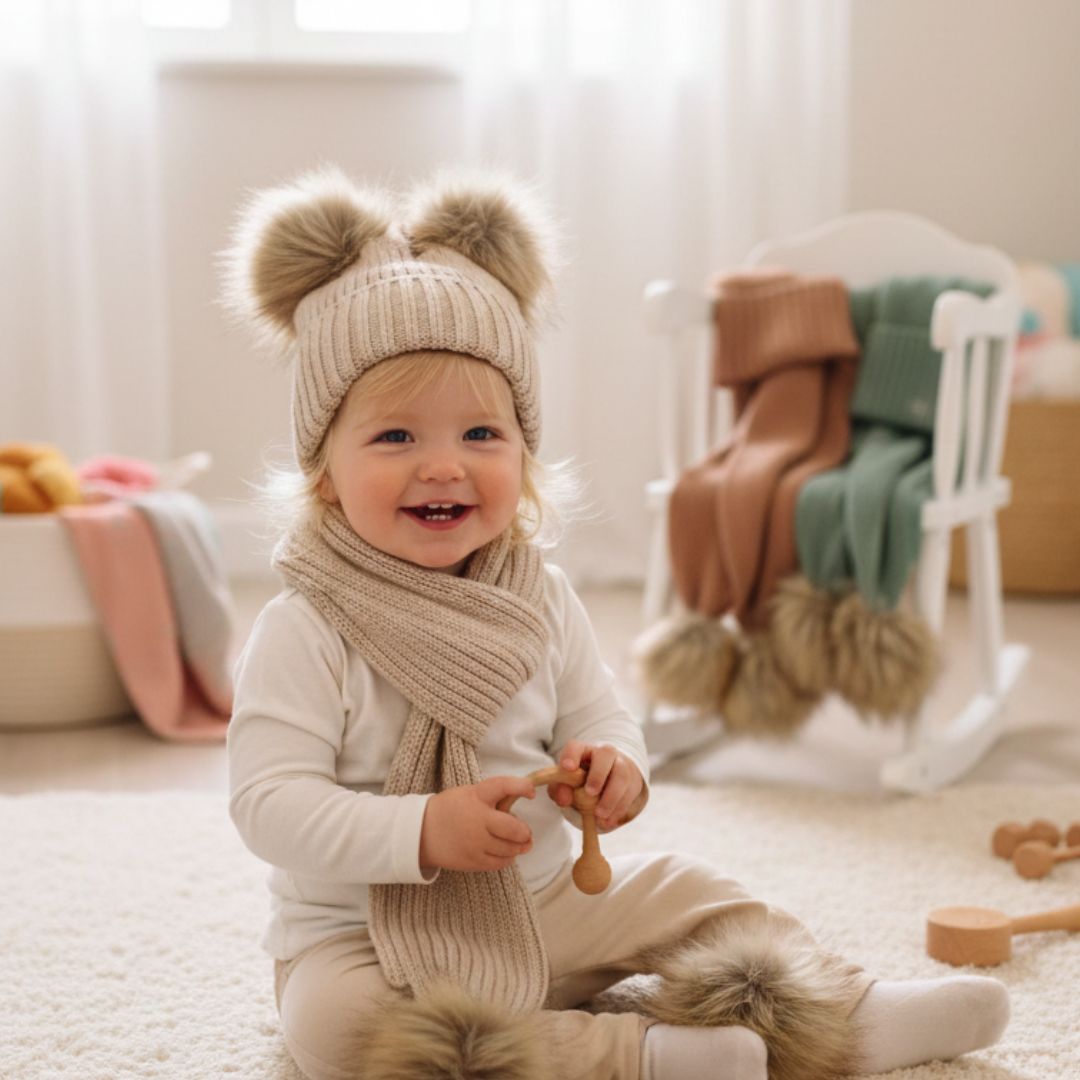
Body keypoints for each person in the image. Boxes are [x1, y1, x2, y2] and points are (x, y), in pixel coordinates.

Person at [223, 167, 1010, 1080]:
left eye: (483, 436)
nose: (444, 466)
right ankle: (637, 1055)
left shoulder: (539, 594)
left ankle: (841, 1009)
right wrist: (421, 830)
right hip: (369, 936)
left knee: (695, 892)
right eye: (395, 438)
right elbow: (268, 805)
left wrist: (615, 767)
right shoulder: (307, 624)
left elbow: (596, 712)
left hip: (550, 900)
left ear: (525, 453)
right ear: (322, 472)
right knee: (335, 1029)